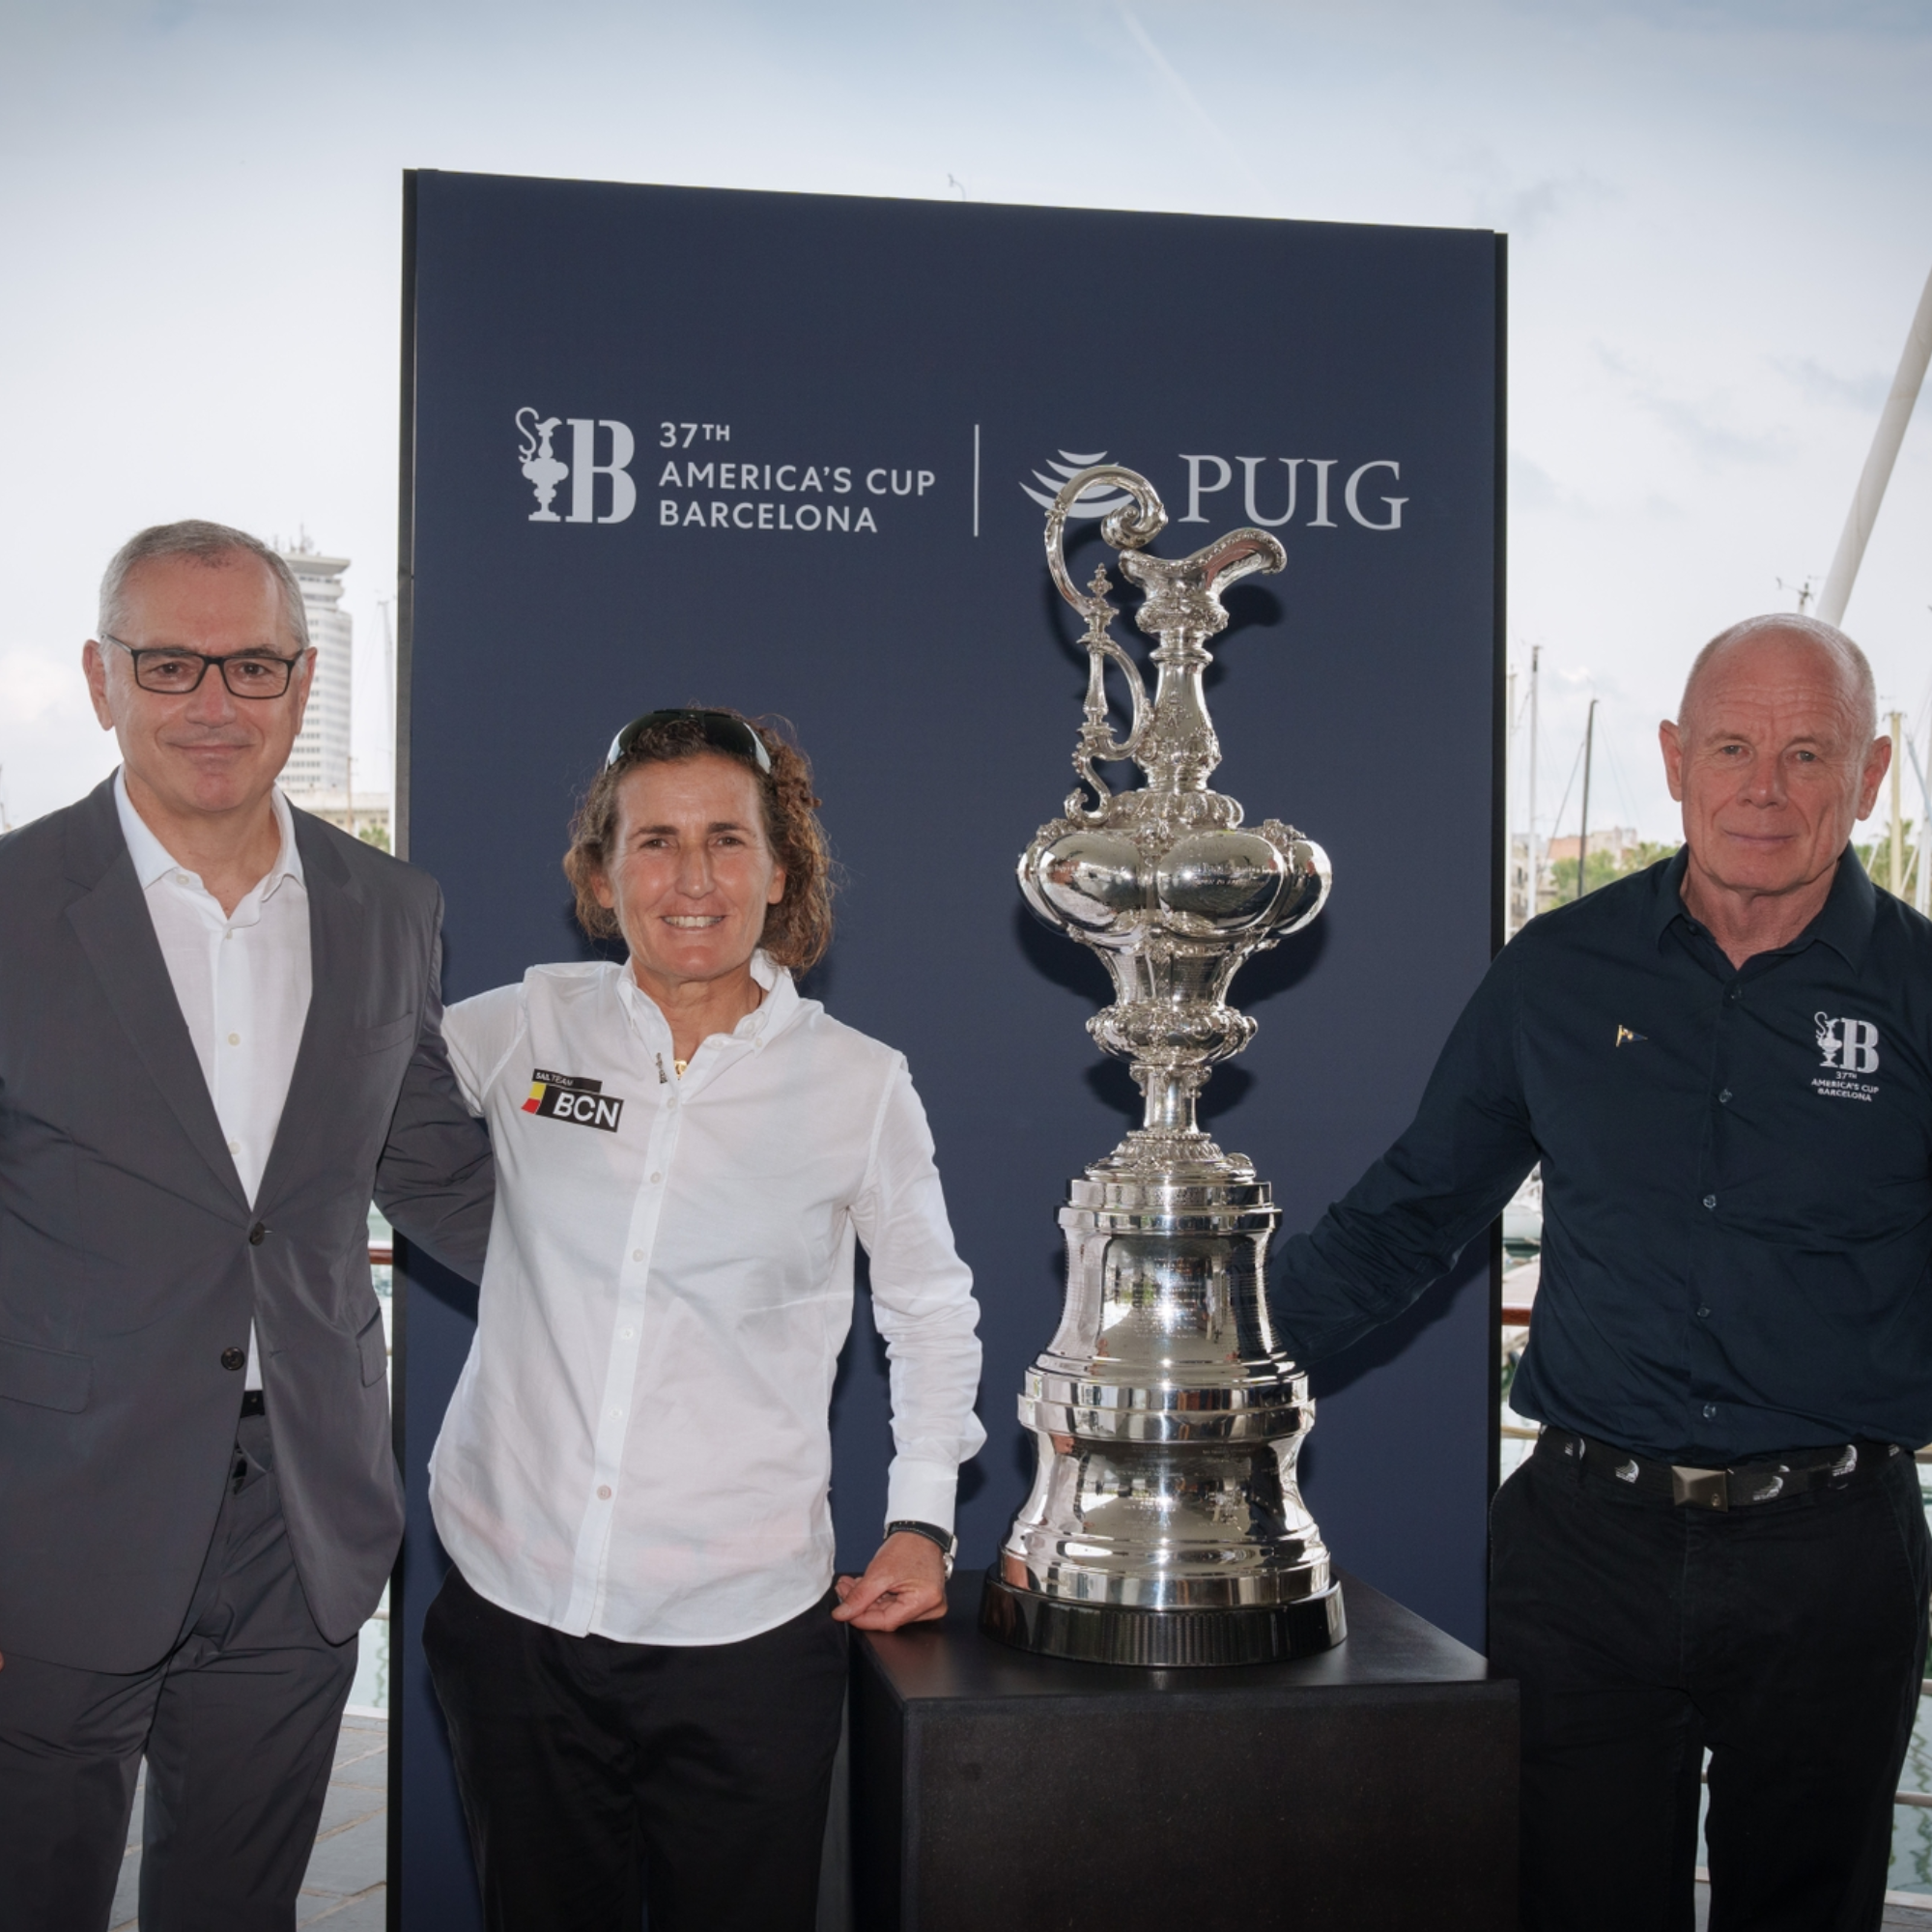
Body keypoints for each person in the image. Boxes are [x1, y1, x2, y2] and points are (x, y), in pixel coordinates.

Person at [1270, 614, 1931, 1931]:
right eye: (1731, 748)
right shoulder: (1558, 973)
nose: (1763, 788)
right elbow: (1408, 1217)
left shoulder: (1920, 991)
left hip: (1830, 1557)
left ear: (1869, 775)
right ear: (1675, 759)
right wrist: (1205, 1375)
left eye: (1807, 754)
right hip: (1585, 1553)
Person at [0, 521, 494, 1930]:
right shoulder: (11, 906)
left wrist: (673, 1242)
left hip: (300, 1523)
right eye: (170, 664)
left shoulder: (390, 907)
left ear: (302, 677)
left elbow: (437, 1168)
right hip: (49, 1521)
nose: (214, 702)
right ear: (101, 678)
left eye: (252, 665)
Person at [421, 705, 984, 1931]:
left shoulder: (858, 1083)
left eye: (726, 839)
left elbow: (929, 1303)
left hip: (743, 1633)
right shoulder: (520, 1028)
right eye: (655, 841)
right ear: (599, 874)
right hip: (511, 1608)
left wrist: (922, 1517)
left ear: (780, 871)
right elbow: (349, 1102)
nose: (692, 878)